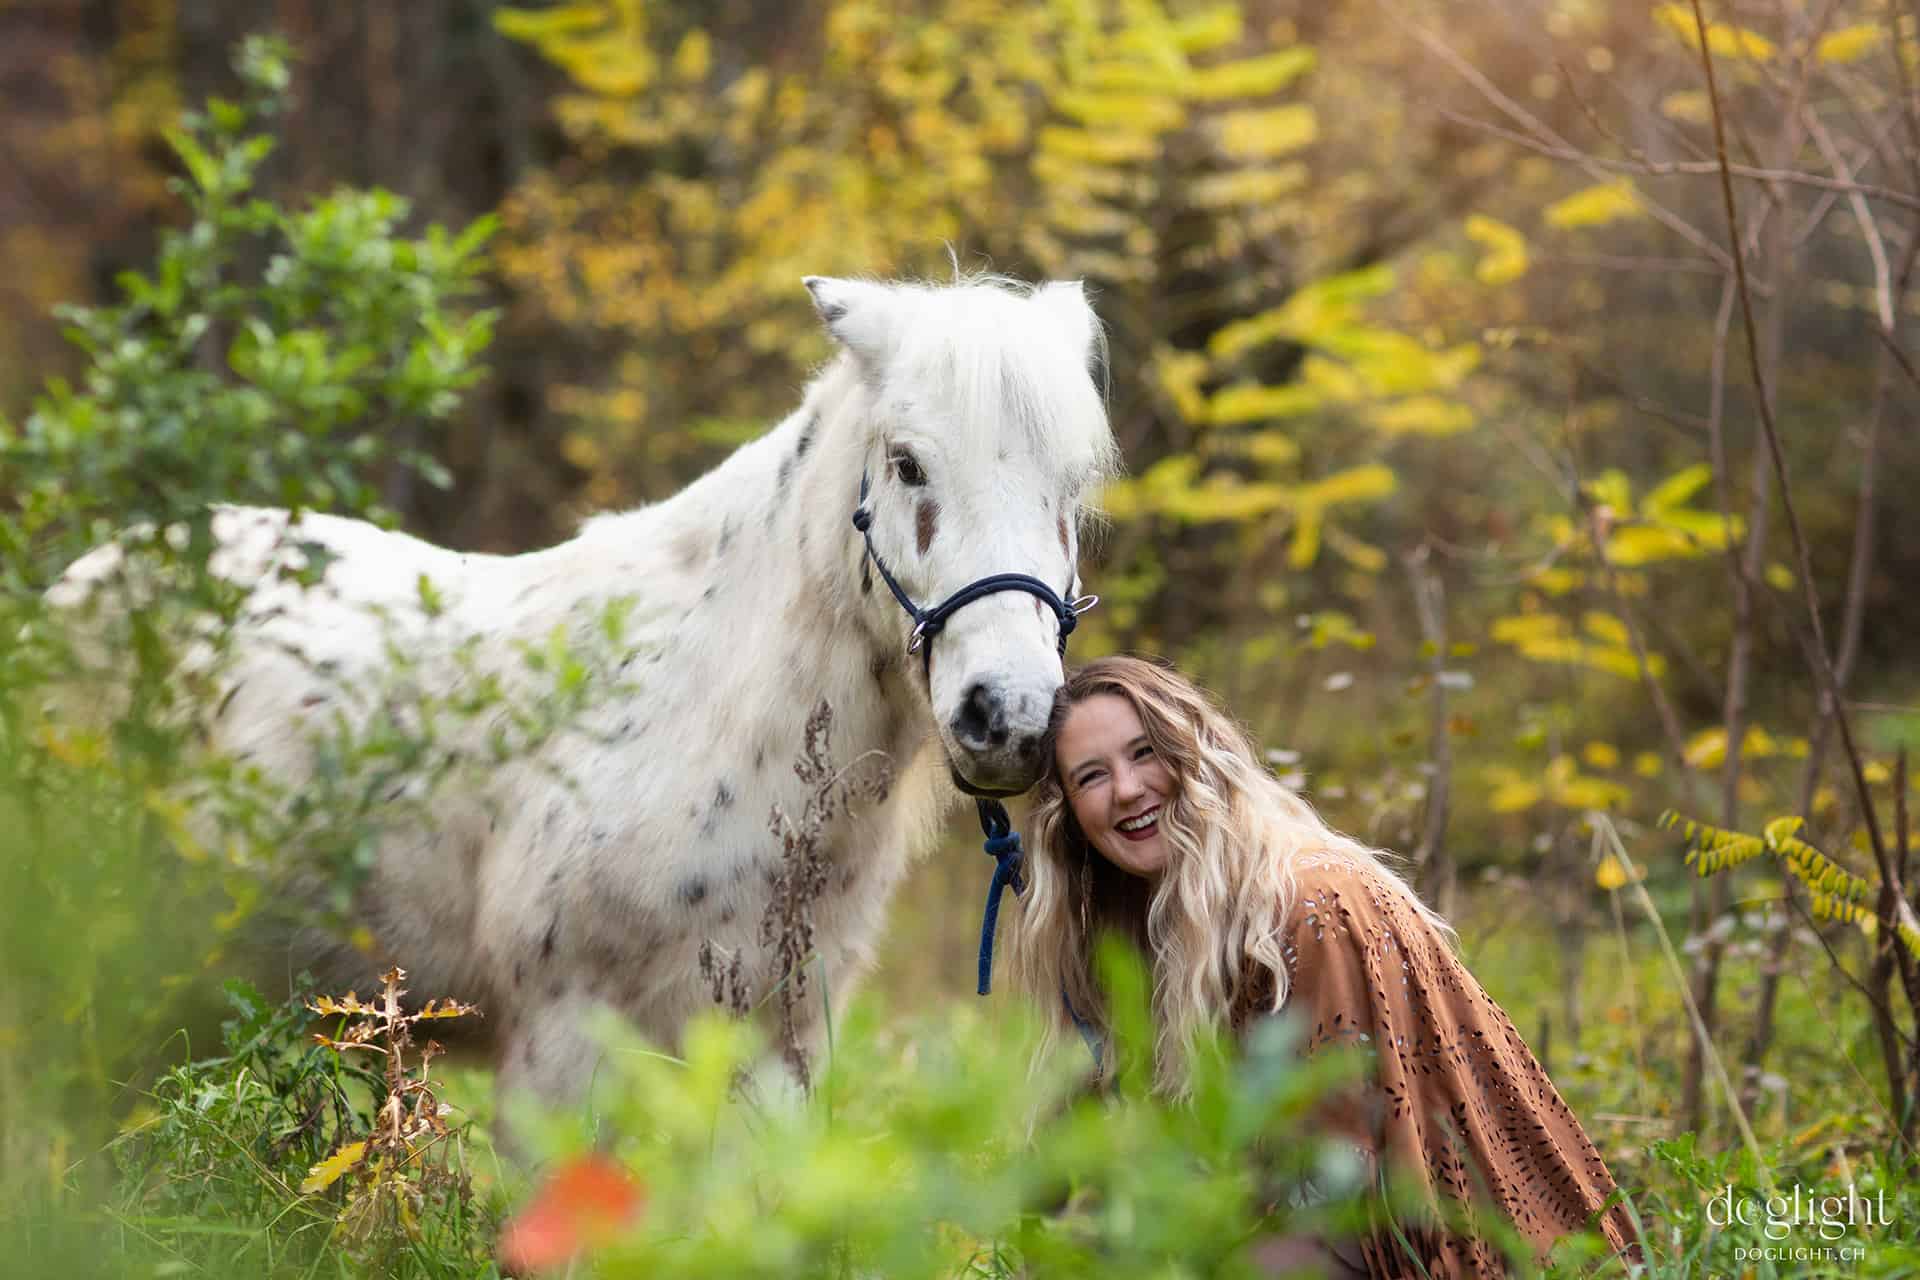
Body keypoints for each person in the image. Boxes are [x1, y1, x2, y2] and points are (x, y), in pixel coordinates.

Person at [1007, 655, 1636, 1279]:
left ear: (1193, 752)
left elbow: (1342, 1176)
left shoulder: (1311, 900)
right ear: (1069, 818)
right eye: (1091, 776)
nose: (1126, 788)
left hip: (1393, 1224)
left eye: (1144, 752)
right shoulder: (1142, 924)